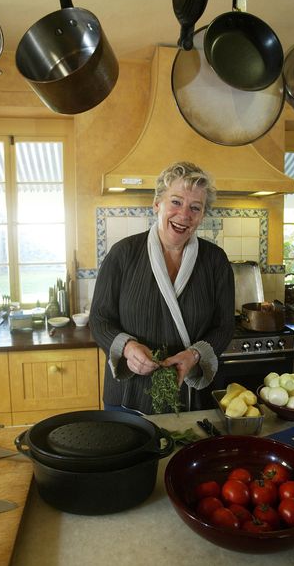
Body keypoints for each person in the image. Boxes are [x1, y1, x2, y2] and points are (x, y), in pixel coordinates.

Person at [89, 161, 235, 414]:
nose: (184, 214)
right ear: (157, 204)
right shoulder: (123, 254)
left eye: (195, 207)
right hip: (127, 393)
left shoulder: (215, 260)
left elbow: (224, 326)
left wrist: (195, 355)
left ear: (202, 216)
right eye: (176, 202)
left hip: (188, 394)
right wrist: (127, 347)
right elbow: (100, 319)